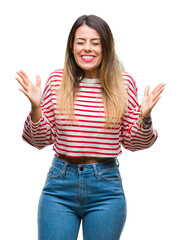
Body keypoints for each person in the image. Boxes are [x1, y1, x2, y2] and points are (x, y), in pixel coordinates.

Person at [16, 15, 165, 240]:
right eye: (80, 42)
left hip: (105, 188)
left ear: (106, 47)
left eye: (95, 42)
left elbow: (135, 143)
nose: (88, 48)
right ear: (72, 47)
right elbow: (38, 141)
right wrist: (36, 108)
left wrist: (145, 117)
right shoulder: (58, 80)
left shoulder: (123, 83)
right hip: (59, 186)